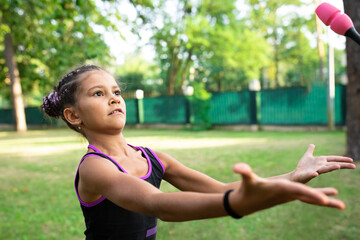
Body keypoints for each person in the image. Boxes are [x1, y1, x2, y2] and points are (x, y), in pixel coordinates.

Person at [42, 65, 356, 240]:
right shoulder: (95, 168)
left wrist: (292, 177)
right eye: (98, 94)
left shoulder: (154, 158)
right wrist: (236, 205)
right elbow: (159, 204)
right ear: (73, 115)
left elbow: (221, 189)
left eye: (116, 92)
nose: (114, 99)